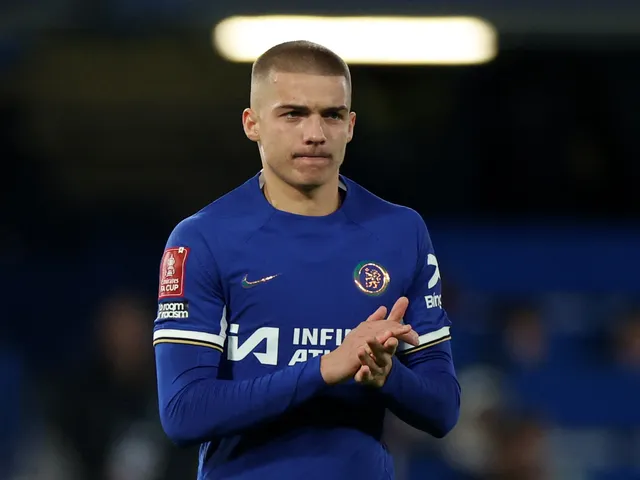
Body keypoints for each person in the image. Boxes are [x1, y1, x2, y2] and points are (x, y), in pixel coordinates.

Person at [153, 40, 461, 480]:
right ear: (252, 123)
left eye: (332, 115)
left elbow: (443, 409)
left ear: (350, 126)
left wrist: (386, 375)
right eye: (293, 114)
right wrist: (324, 368)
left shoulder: (400, 232)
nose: (315, 133)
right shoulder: (202, 239)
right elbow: (183, 413)